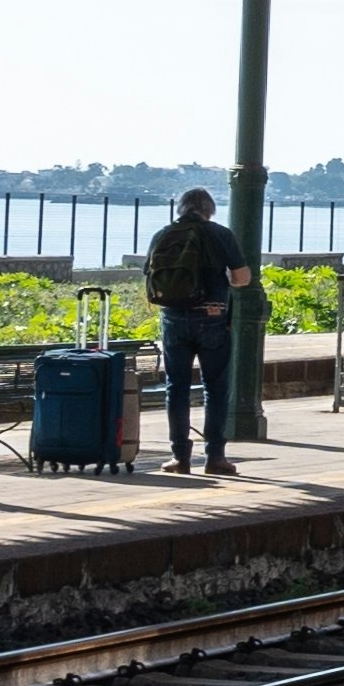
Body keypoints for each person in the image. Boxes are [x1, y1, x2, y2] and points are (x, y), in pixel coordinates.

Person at [138, 183, 249, 476]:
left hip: (173, 318)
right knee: (215, 388)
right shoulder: (220, 234)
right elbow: (242, 278)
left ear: (181, 209)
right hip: (212, 317)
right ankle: (215, 458)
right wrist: (225, 278)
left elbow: (149, 274)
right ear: (209, 211)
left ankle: (179, 458)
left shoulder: (162, 235)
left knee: (176, 389)